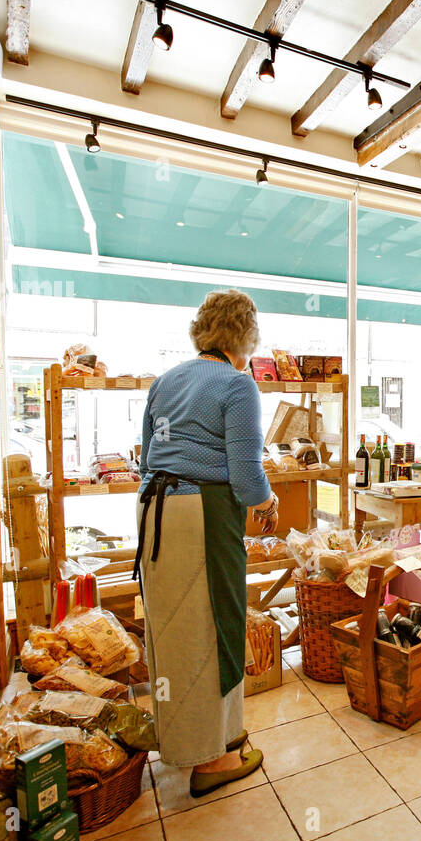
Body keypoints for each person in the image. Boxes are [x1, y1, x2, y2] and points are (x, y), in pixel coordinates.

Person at [136, 289, 278, 798]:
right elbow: (247, 476)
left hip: (154, 510)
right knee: (215, 624)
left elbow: (146, 456)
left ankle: (194, 737)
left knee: (173, 629)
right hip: (203, 511)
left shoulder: (166, 380)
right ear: (247, 336)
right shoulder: (238, 385)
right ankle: (212, 759)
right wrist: (268, 503)